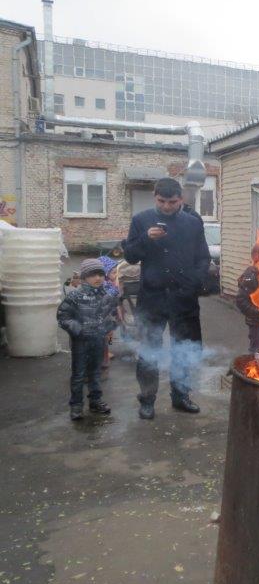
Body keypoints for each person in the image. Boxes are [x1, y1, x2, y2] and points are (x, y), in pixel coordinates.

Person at [122, 177, 210, 420]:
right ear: (155, 197)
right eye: (162, 201)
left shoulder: (193, 223)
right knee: (149, 351)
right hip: (152, 298)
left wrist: (195, 281)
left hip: (184, 299)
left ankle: (181, 396)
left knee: (184, 350)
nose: (167, 207)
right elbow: (129, 256)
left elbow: (203, 258)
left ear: (181, 199)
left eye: (172, 202)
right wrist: (145, 239)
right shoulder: (141, 221)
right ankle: (147, 399)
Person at [57, 258, 118, 420]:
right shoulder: (75, 296)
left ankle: (95, 401)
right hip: (80, 342)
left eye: (100, 274)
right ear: (84, 277)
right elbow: (63, 316)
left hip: (99, 341)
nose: (97, 278)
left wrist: (110, 326)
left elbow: (112, 315)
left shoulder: (106, 296)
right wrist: (78, 329)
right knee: (78, 374)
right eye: (92, 275)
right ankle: (76, 405)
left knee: (95, 372)